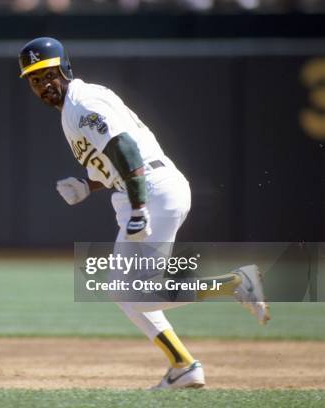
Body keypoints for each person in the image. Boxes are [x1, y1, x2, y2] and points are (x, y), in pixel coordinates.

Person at [18, 37, 270, 389]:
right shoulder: (72, 109)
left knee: (134, 292)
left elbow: (125, 148)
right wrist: (88, 185)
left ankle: (232, 285)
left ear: (64, 68)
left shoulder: (82, 101)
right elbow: (114, 159)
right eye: (35, 80)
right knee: (127, 291)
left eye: (47, 74)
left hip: (151, 192)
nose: (44, 85)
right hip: (148, 190)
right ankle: (183, 365)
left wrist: (138, 207)